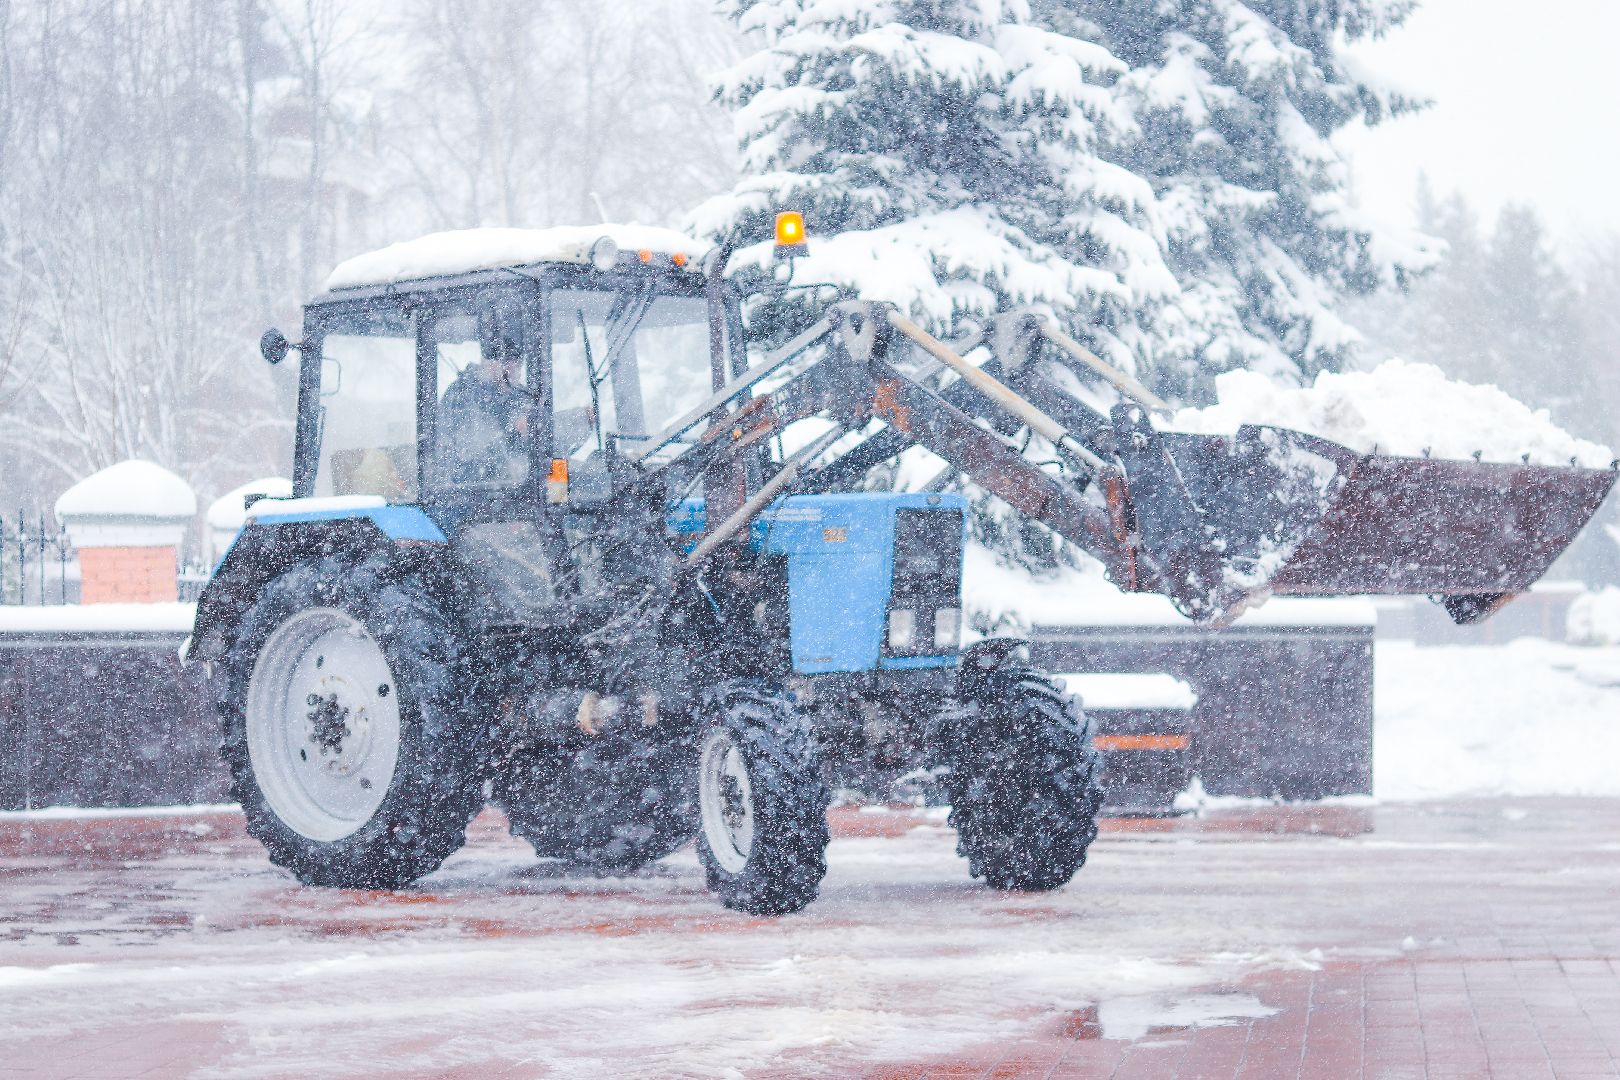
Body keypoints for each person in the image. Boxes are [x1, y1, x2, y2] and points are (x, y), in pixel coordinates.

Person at [437, 328, 532, 485]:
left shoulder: (521, 396)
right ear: (488, 361)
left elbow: (543, 450)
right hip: (472, 493)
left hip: (523, 488)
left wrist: (581, 421)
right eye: (507, 360)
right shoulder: (461, 397)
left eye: (518, 361)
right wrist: (514, 432)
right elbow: (466, 457)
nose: (514, 367)